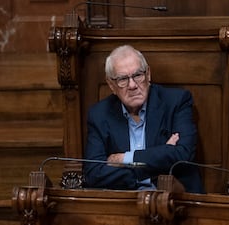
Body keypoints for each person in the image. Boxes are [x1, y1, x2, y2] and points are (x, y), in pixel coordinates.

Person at [83, 45, 204, 193]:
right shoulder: (99, 114)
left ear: (148, 75)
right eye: (122, 79)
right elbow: (93, 174)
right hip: (124, 204)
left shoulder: (176, 102)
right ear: (111, 85)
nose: (132, 85)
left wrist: (125, 159)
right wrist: (160, 158)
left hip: (176, 201)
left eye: (138, 75)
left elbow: (183, 155)